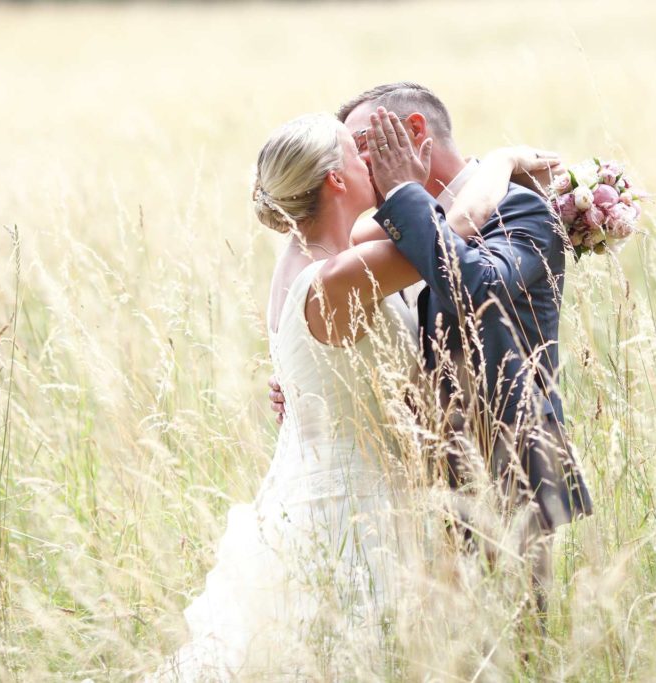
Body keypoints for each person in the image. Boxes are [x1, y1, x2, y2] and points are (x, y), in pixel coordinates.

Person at [154, 111, 558, 680]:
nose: (371, 157)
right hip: (355, 507)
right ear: (336, 181)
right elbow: (453, 226)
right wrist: (504, 162)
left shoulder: (320, 251)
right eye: (356, 149)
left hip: (353, 483)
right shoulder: (336, 273)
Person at [270, 82, 594, 626]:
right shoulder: (382, 229)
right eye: (355, 153)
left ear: (414, 132)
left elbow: (474, 279)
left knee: (517, 644)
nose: (365, 163)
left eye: (367, 144)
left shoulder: (519, 209)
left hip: (503, 463)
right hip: (408, 488)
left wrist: (492, 168)